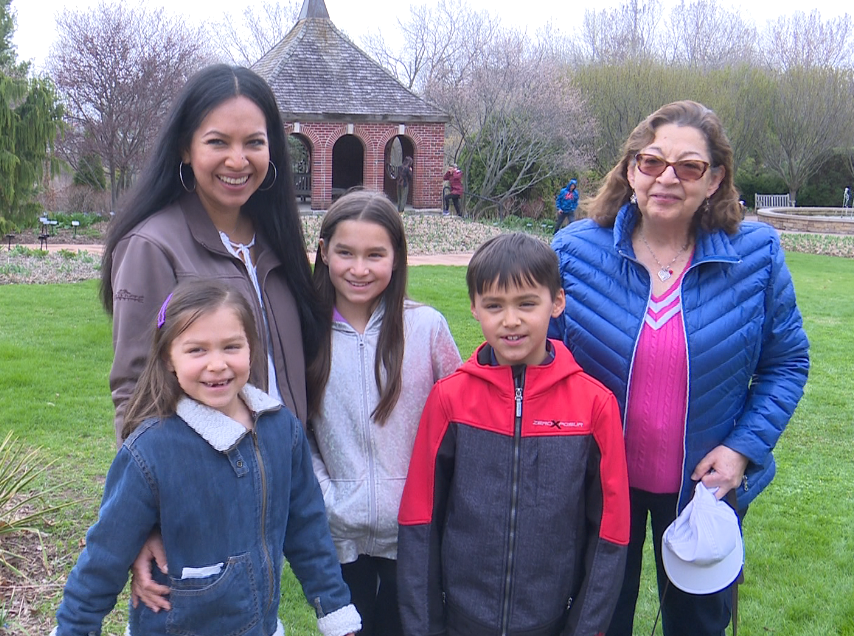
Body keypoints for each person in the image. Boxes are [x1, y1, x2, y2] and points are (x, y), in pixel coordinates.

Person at [550, 100, 810, 636]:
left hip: (703, 490)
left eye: (689, 167)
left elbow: (787, 362)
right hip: (600, 484)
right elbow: (545, 362)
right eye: (651, 162)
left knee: (697, 626)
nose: (667, 178)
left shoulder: (755, 254)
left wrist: (742, 450)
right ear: (630, 170)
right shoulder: (575, 250)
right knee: (596, 621)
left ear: (714, 180)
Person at [99, 64, 326, 611]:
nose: (237, 160)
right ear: (184, 148)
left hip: (272, 486)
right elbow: (134, 386)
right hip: (199, 493)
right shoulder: (154, 246)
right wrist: (146, 517)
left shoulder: (274, 237)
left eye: (254, 142)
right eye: (217, 142)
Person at [53, 280, 361, 636]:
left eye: (231, 346)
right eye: (197, 350)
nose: (217, 364)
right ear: (169, 357)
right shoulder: (150, 451)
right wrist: (73, 628)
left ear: (251, 349)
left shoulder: (280, 429)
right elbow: (103, 557)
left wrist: (335, 609)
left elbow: (307, 527)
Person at [397, 232, 630, 636]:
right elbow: (420, 519)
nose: (511, 320)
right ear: (474, 307)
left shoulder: (594, 406)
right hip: (462, 621)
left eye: (527, 303)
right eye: (494, 305)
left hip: (551, 620)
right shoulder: (449, 399)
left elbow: (610, 532)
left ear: (556, 302)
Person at [306, 190, 462, 636]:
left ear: (396, 257)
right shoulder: (305, 333)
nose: (359, 269)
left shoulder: (426, 327)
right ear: (323, 252)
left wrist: (436, 497)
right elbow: (296, 431)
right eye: (345, 253)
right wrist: (327, 496)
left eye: (375, 254)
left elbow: (459, 421)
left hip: (415, 534)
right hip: (339, 534)